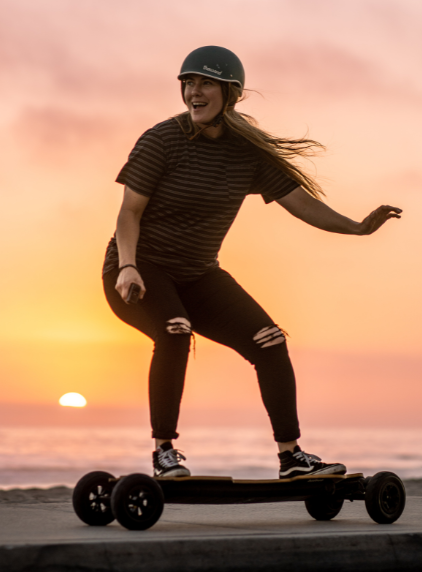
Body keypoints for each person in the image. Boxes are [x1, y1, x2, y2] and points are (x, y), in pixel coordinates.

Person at [102, 46, 401, 479]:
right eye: (188, 83)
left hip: (199, 274)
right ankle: (164, 451)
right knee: (174, 330)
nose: (193, 92)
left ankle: (291, 456)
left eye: (205, 83)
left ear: (231, 93)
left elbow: (300, 203)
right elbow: (128, 213)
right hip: (138, 268)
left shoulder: (247, 153)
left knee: (270, 341)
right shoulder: (162, 140)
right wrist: (127, 266)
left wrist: (356, 228)